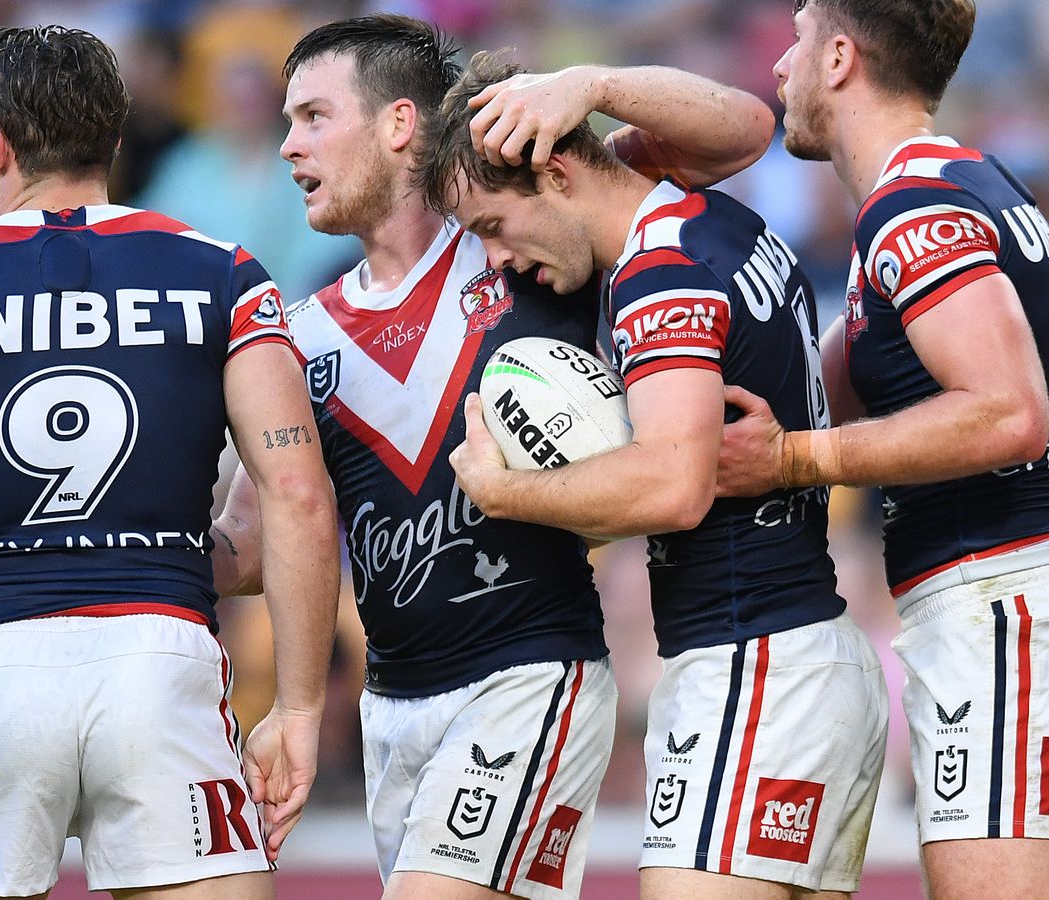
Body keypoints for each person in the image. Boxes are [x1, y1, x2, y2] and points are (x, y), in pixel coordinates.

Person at [211, 13, 775, 899]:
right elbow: (245, 548)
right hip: (393, 709)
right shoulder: (297, 331)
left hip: (529, 672)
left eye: (312, 117)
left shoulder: (523, 228)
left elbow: (743, 128)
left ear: (399, 124)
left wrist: (589, 85)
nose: (288, 146)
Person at [0, 25, 339, 900]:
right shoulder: (225, 275)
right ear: (112, 139)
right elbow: (296, 493)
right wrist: (298, 708)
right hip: (166, 658)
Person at [417, 52, 888, 899]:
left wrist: (503, 491)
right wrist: (590, 91)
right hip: (805, 656)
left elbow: (674, 487)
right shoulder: (703, 214)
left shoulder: (654, 276)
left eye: (491, 226)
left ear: (558, 173)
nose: (495, 260)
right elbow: (747, 123)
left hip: (753, 666)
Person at [714, 2, 1049, 897]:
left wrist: (793, 462)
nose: (777, 68)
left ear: (838, 57)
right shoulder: (969, 180)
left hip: (1004, 603)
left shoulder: (910, 209)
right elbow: (824, 394)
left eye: (794, 40)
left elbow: (1012, 413)